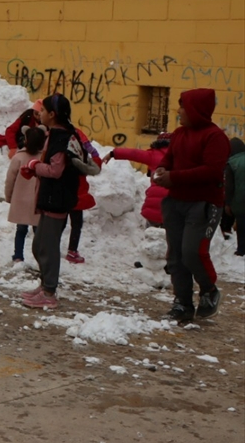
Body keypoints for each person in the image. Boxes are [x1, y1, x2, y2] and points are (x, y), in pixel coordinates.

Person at [153, 88, 230, 322]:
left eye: (183, 105)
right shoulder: (179, 134)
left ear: (196, 109)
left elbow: (211, 171)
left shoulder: (215, 137)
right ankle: (182, 303)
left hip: (203, 204)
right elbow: (168, 160)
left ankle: (209, 290)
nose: (179, 110)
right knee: (175, 256)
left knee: (192, 252)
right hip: (176, 202)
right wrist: (161, 170)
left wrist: (174, 177)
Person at [20, 94, 83, 310]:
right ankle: (45, 284)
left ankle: (49, 291)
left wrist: (35, 166)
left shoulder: (62, 138)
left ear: (53, 114)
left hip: (57, 199)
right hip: (49, 198)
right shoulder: (55, 134)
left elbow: (56, 170)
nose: (40, 114)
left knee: (48, 247)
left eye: (43, 111)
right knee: (39, 245)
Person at [103, 134, 171, 227]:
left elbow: (134, 153)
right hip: (172, 204)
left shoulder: (153, 154)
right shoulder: (181, 157)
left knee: (151, 237)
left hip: (153, 205)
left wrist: (113, 153)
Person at [5, 126, 46, 263]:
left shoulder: (18, 158)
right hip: (38, 201)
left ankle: (18, 256)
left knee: (21, 230)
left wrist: (9, 196)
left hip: (20, 200)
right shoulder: (45, 158)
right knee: (38, 232)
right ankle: (40, 257)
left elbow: (10, 179)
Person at [63, 127, 102, 264]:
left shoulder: (64, 158)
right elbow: (95, 161)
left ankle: (53, 245)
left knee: (60, 222)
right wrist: (94, 154)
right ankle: (72, 251)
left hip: (64, 194)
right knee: (76, 224)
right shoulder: (82, 160)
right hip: (78, 196)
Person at [224, 138, 245, 256]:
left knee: (241, 224)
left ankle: (242, 250)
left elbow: (229, 186)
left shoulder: (231, 163)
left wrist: (227, 203)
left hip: (240, 199)